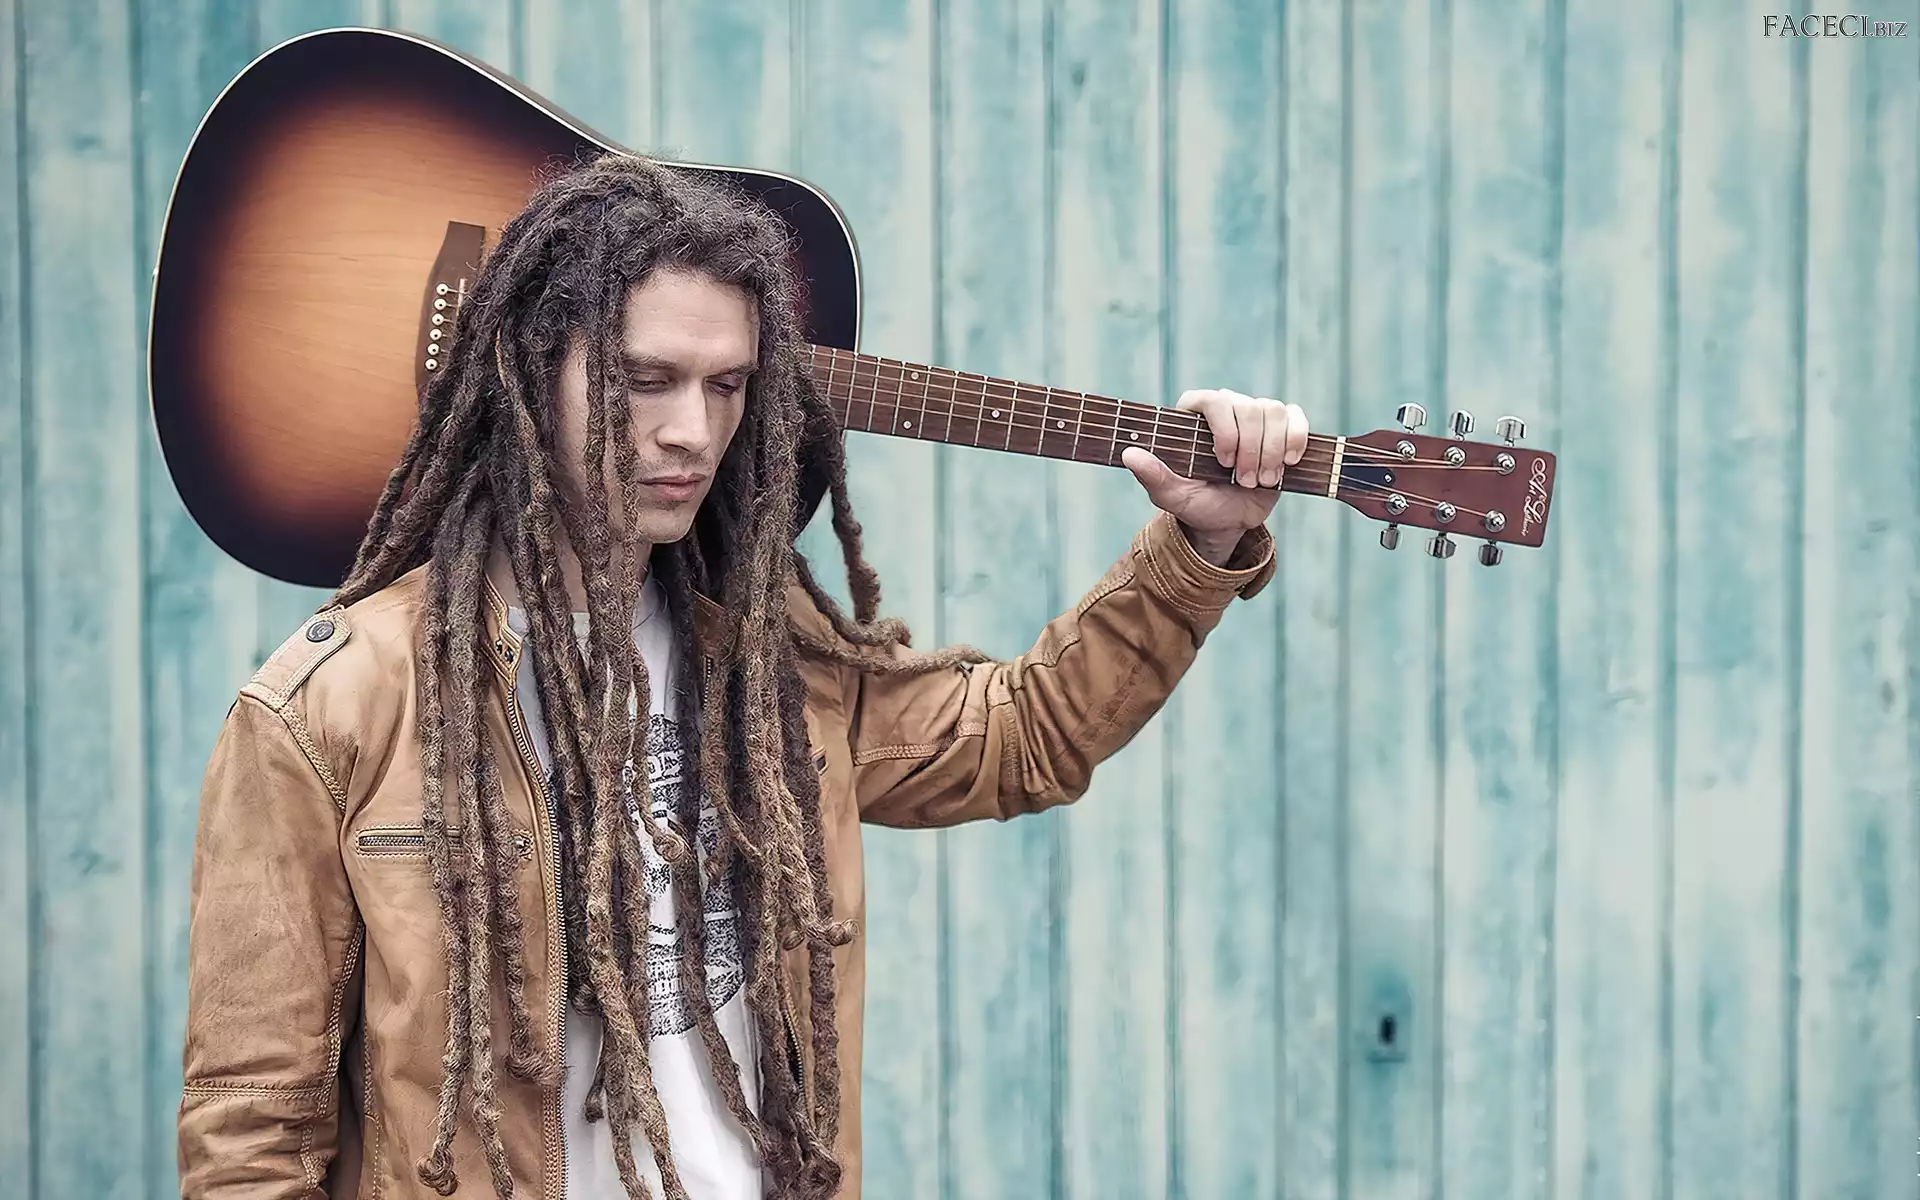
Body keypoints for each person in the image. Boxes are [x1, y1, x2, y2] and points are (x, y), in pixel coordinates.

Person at [175, 153, 1306, 1200]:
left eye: (727, 386)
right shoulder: (332, 706)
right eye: (646, 379)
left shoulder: (768, 662)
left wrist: (1199, 544)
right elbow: (251, 1131)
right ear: (525, 368)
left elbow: (1022, 738)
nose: (692, 431)